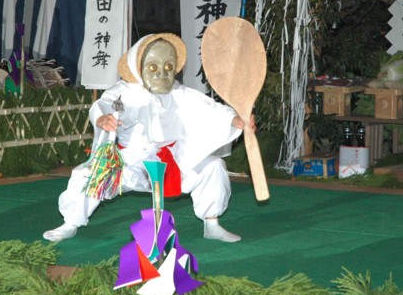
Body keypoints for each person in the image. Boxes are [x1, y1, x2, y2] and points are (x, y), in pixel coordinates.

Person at [43, 33, 252, 243]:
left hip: (174, 158)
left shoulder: (180, 93)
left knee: (213, 166)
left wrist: (235, 119)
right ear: (138, 66)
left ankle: (212, 223)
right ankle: (70, 223)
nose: (162, 73)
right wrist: (103, 118)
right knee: (87, 175)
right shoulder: (124, 91)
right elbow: (104, 104)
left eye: (168, 67)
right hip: (129, 162)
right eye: (153, 67)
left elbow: (212, 109)